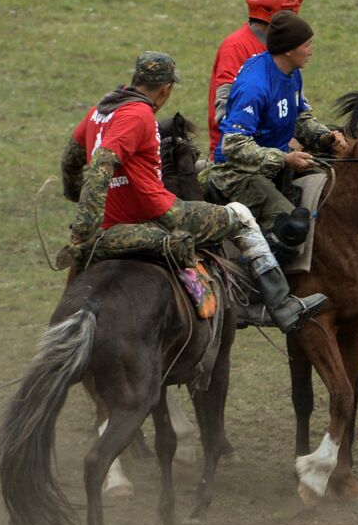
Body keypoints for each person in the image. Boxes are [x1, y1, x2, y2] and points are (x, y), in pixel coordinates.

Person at [60, 52, 326, 332]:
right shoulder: (140, 115)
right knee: (241, 216)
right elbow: (104, 160)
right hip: (161, 213)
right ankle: (280, 306)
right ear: (166, 89)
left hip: (111, 222)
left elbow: (70, 159)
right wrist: (85, 224)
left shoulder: (98, 112)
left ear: (136, 78)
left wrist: (75, 194)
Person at [207, 11, 352, 258]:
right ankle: (250, 280)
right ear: (288, 49)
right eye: (306, 45)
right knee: (292, 228)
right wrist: (284, 159)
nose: (311, 50)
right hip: (239, 175)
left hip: (274, 166)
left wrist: (325, 137)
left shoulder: (292, 73)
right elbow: (233, 144)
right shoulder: (255, 86)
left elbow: (300, 117)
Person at [208, 0, 304, 155]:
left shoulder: (284, 47)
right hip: (243, 154)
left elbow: (293, 102)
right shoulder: (236, 46)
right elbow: (225, 109)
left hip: (278, 146)